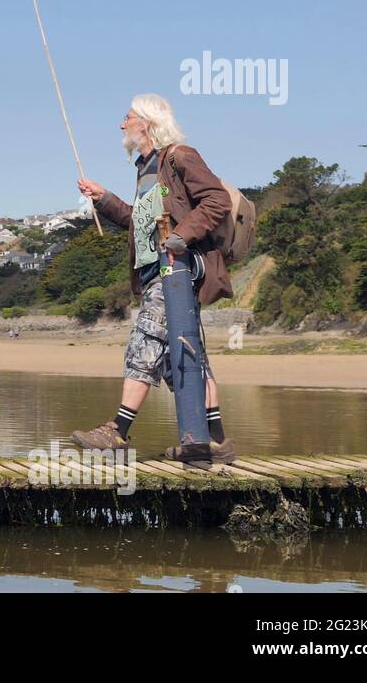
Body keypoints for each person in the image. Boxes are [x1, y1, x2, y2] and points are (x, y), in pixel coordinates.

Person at [71, 93, 236, 463]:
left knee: (144, 342)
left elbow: (216, 200)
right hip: (155, 272)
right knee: (183, 358)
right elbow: (138, 222)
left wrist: (182, 235)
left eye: (126, 117)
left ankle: (117, 431)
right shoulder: (145, 168)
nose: (121, 124)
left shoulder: (179, 156)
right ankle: (214, 443)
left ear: (146, 122)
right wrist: (104, 199)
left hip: (177, 268)